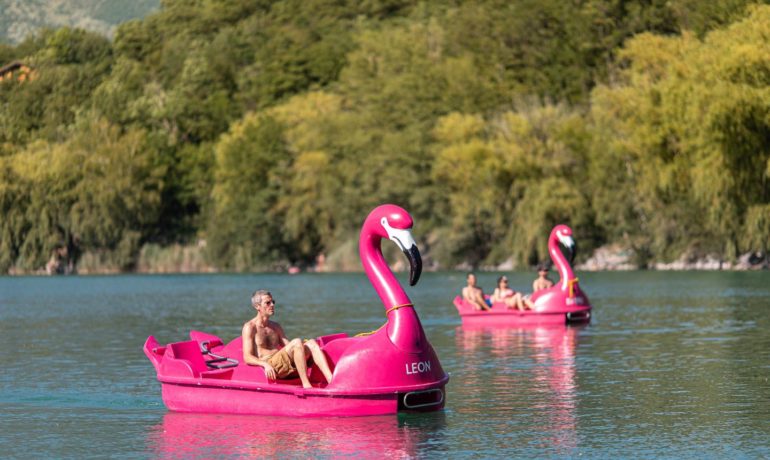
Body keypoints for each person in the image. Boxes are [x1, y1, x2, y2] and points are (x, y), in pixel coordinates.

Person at [242, 290, 334, 389]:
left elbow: (289, 346)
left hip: (282, 363)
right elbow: (247, 357)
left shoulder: (275, 326)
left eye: (273, 302)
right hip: (270, 366)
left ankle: (331, 381)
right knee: (297, 342)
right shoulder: (250, 327)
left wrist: (304, 347)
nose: (272, 305)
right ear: (257, 306)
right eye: (268, 303)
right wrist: (264, 364)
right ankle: (306, 385)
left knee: (311, 343)